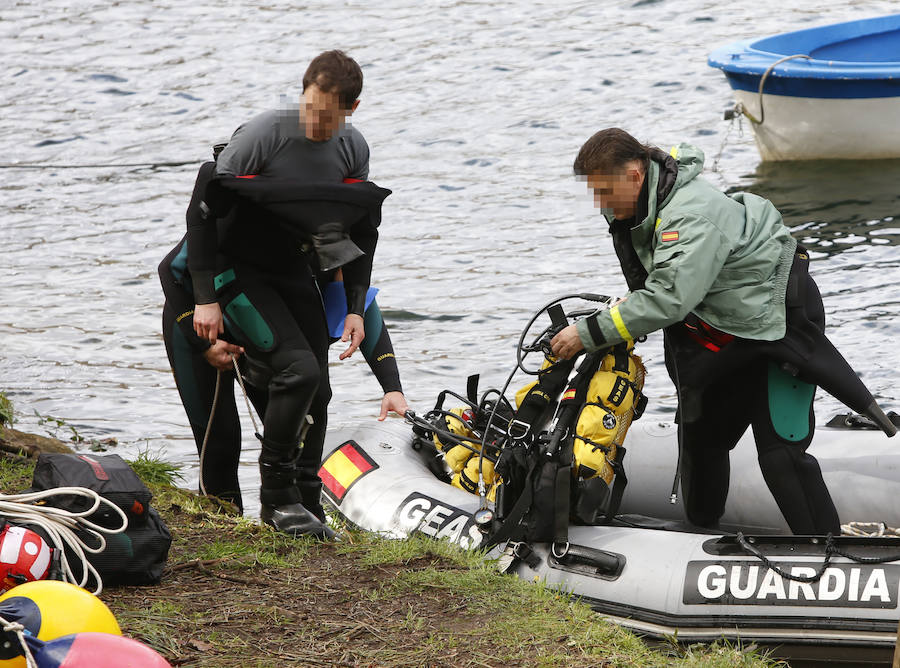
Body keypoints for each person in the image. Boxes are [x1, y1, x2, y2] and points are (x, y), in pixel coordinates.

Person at [550, 127, 893, 535]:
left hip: (778, 328)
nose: (599, 204)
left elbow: (669, 299)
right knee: (700, 441)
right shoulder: (640, 207)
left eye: (605, 192)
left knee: (780, 453)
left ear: (635, 174)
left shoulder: (690, 215)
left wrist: (587, 333)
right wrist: (628, 305)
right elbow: (662, 281)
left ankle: (826, 548)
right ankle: (697, 540)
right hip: (722, 334)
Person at [169, 49, 407, 538]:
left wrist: (358, 311)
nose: (317, 121)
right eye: (311, 108)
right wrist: (206, 302)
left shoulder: (351, 151)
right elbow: (201, 216)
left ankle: (302, 507)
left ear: (351, 110)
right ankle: (261, 509)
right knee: (237, 426)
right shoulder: (262, 136)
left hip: (285, 271)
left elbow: (362, 233)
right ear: (303, 94)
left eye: (329, 115)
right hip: (224, 275)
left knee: (316, 386)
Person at [159, 237, 407, 518]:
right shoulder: (258, 215)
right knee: (221, 440)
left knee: (294, 429)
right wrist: (202, 343)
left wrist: (392, 389)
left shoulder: (342, 264)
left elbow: (367, 317)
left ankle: (296, 516)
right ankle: (225, 522)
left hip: (262, 333)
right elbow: (169, 268)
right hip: (198, 324)